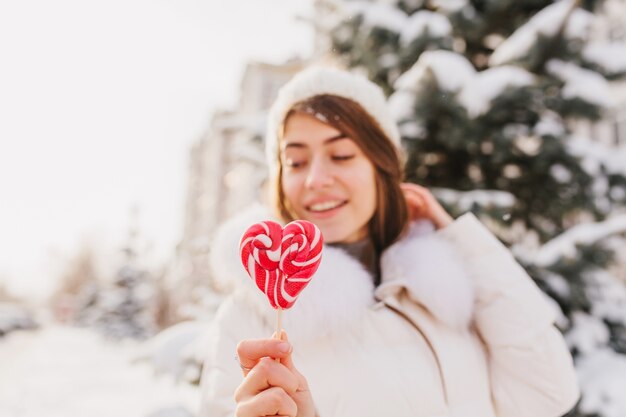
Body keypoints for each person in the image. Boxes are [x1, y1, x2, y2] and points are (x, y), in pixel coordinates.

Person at [199, 67, 580, 417]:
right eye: (296, 162)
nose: (316, 179)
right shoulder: (249, 318)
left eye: (342, 154)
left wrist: (461, 240)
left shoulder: (445, 292)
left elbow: (549, 395)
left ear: (383, 168)